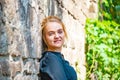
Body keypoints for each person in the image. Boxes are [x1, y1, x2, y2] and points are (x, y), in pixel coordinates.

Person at [39, 16, 77, 80]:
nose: (57, 36)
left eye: (60, 32)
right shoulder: (50, 59)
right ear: (44, 38)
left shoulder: (59, 58)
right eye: (51, 34)